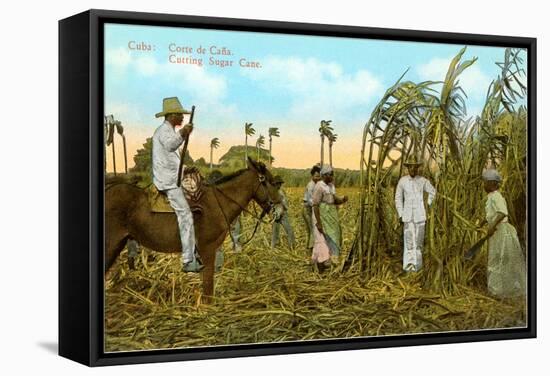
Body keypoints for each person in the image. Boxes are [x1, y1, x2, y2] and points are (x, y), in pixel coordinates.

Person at [152, 97, 202, 272]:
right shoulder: (164, 132)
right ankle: (188, 261)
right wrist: (183, 133)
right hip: (167, 181)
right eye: (180, 115)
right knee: (186, 215)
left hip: (174, 176)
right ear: (171, 115)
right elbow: (171, 147)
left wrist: (187, 168)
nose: (182, 118)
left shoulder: (169, 131)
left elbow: (173, 160)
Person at [480, 169, 526, 298]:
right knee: (497, 259)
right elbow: (493, 213)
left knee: (500, 259)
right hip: (497, 231)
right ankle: (497, 290)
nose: (483, 185)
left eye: (485, 182)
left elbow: (502, 212)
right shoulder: (491, 197)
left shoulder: (496, 196)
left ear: (493, 183)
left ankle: (499, 291)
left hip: (501, 231)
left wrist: (492, 226)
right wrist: (484, 222)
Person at [394, 155, 436, 272]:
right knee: (409, 243)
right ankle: (408, 268)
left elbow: (433, 192)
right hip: (407, 217)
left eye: (415, 167)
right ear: (408, 168)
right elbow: (398, 198)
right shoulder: (402, 181)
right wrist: (401, 214)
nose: (413, 170)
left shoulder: (423, 181)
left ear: (417, 168)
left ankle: (417, 268)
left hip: (420, 216)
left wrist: (428, 204)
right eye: (410, 167)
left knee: (418, 243)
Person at [311, 165, 348, 269]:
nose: (332, 176)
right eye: (331, 174)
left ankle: (333, 258)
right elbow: (315, 205)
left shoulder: (331, 186)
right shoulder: (319, 186)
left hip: (331, 214)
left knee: (335, 234)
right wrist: (318, 222)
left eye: (333, 174)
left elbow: (334, 199)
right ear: (324, 175)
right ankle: (325, 261)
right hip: (323, 215)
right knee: (324, 237)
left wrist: (342, 199)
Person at [271, 175, 296, 249]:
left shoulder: (281, 192)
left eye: (279, 183)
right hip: (275, 214)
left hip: (283, 214)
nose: (279, 185)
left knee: (289, 230)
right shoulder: (272, 193)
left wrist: (283, 209)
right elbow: (271, 204)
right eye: (277, 183)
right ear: (274, 184)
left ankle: (292, 246)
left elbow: (285, 203)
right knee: (275, 232)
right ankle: (273, 247)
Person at [302, 165, 321, 251]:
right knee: (313, 229)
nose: (318, 178)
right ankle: (311, 249)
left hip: (309, 208)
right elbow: (310, 200)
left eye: (319, 176)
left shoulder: (316, 185)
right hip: (307, 209)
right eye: (316, 176)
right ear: (312, 176)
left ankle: (308, 248)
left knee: (310, 230)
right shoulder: (311, 186)